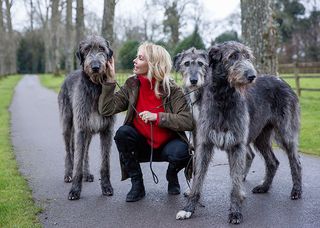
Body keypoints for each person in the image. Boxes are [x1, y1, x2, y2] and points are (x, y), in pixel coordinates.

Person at [98, 42, 194, 202]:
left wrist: (157, 117)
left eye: (140, 58)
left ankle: (172, 175)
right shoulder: (131, 84)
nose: (135, 60)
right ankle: (137, 184)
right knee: (122, 134)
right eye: (136, 57)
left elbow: (188, 121)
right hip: (141, 145)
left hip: (167, 146)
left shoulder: (173, 89)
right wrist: (110, 80)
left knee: (183, 152)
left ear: (153, 63)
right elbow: (107, 109)